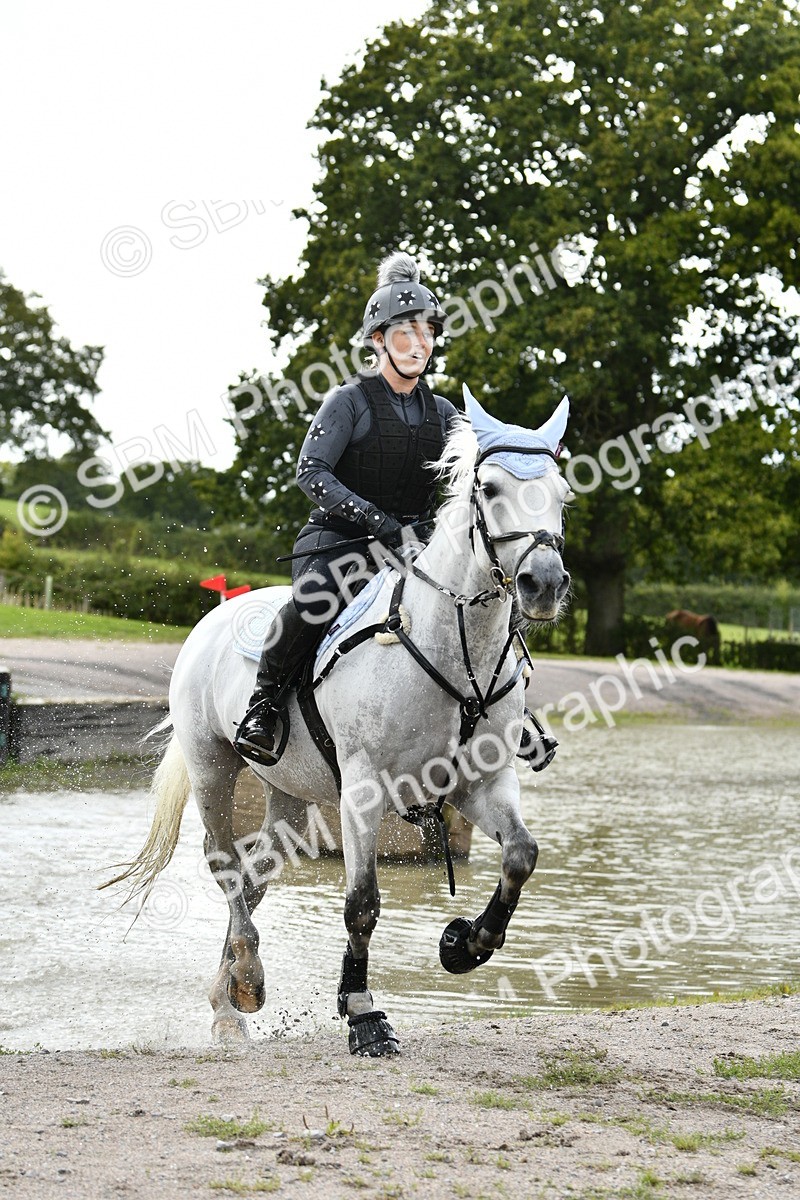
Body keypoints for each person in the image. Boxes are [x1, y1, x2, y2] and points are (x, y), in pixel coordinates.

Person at [234, 252, 459, 766]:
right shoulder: (348, 401)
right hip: (342, 543)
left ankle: (503, 716)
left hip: (412, 550)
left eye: (426, 332)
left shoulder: (445, 413)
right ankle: (263, 706)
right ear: (378, 340)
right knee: (312, 603)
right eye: (405, 333)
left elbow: (470, 477)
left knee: (475, 599)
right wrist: (378, 522)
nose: (418, 343)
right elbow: (311, 472)